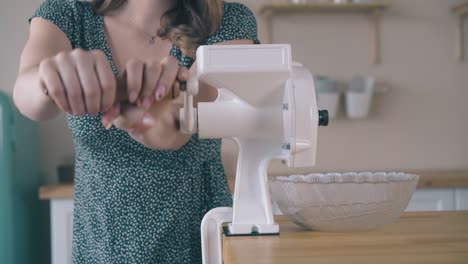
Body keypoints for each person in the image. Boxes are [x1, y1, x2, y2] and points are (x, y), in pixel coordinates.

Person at [13, 0, 259, 263]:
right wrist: (49, 81)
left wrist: (146, 112)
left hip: (199, 245)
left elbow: (177, 125)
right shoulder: (66, 13)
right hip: (101, 248)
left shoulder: (230, 21)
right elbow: (28, 92)